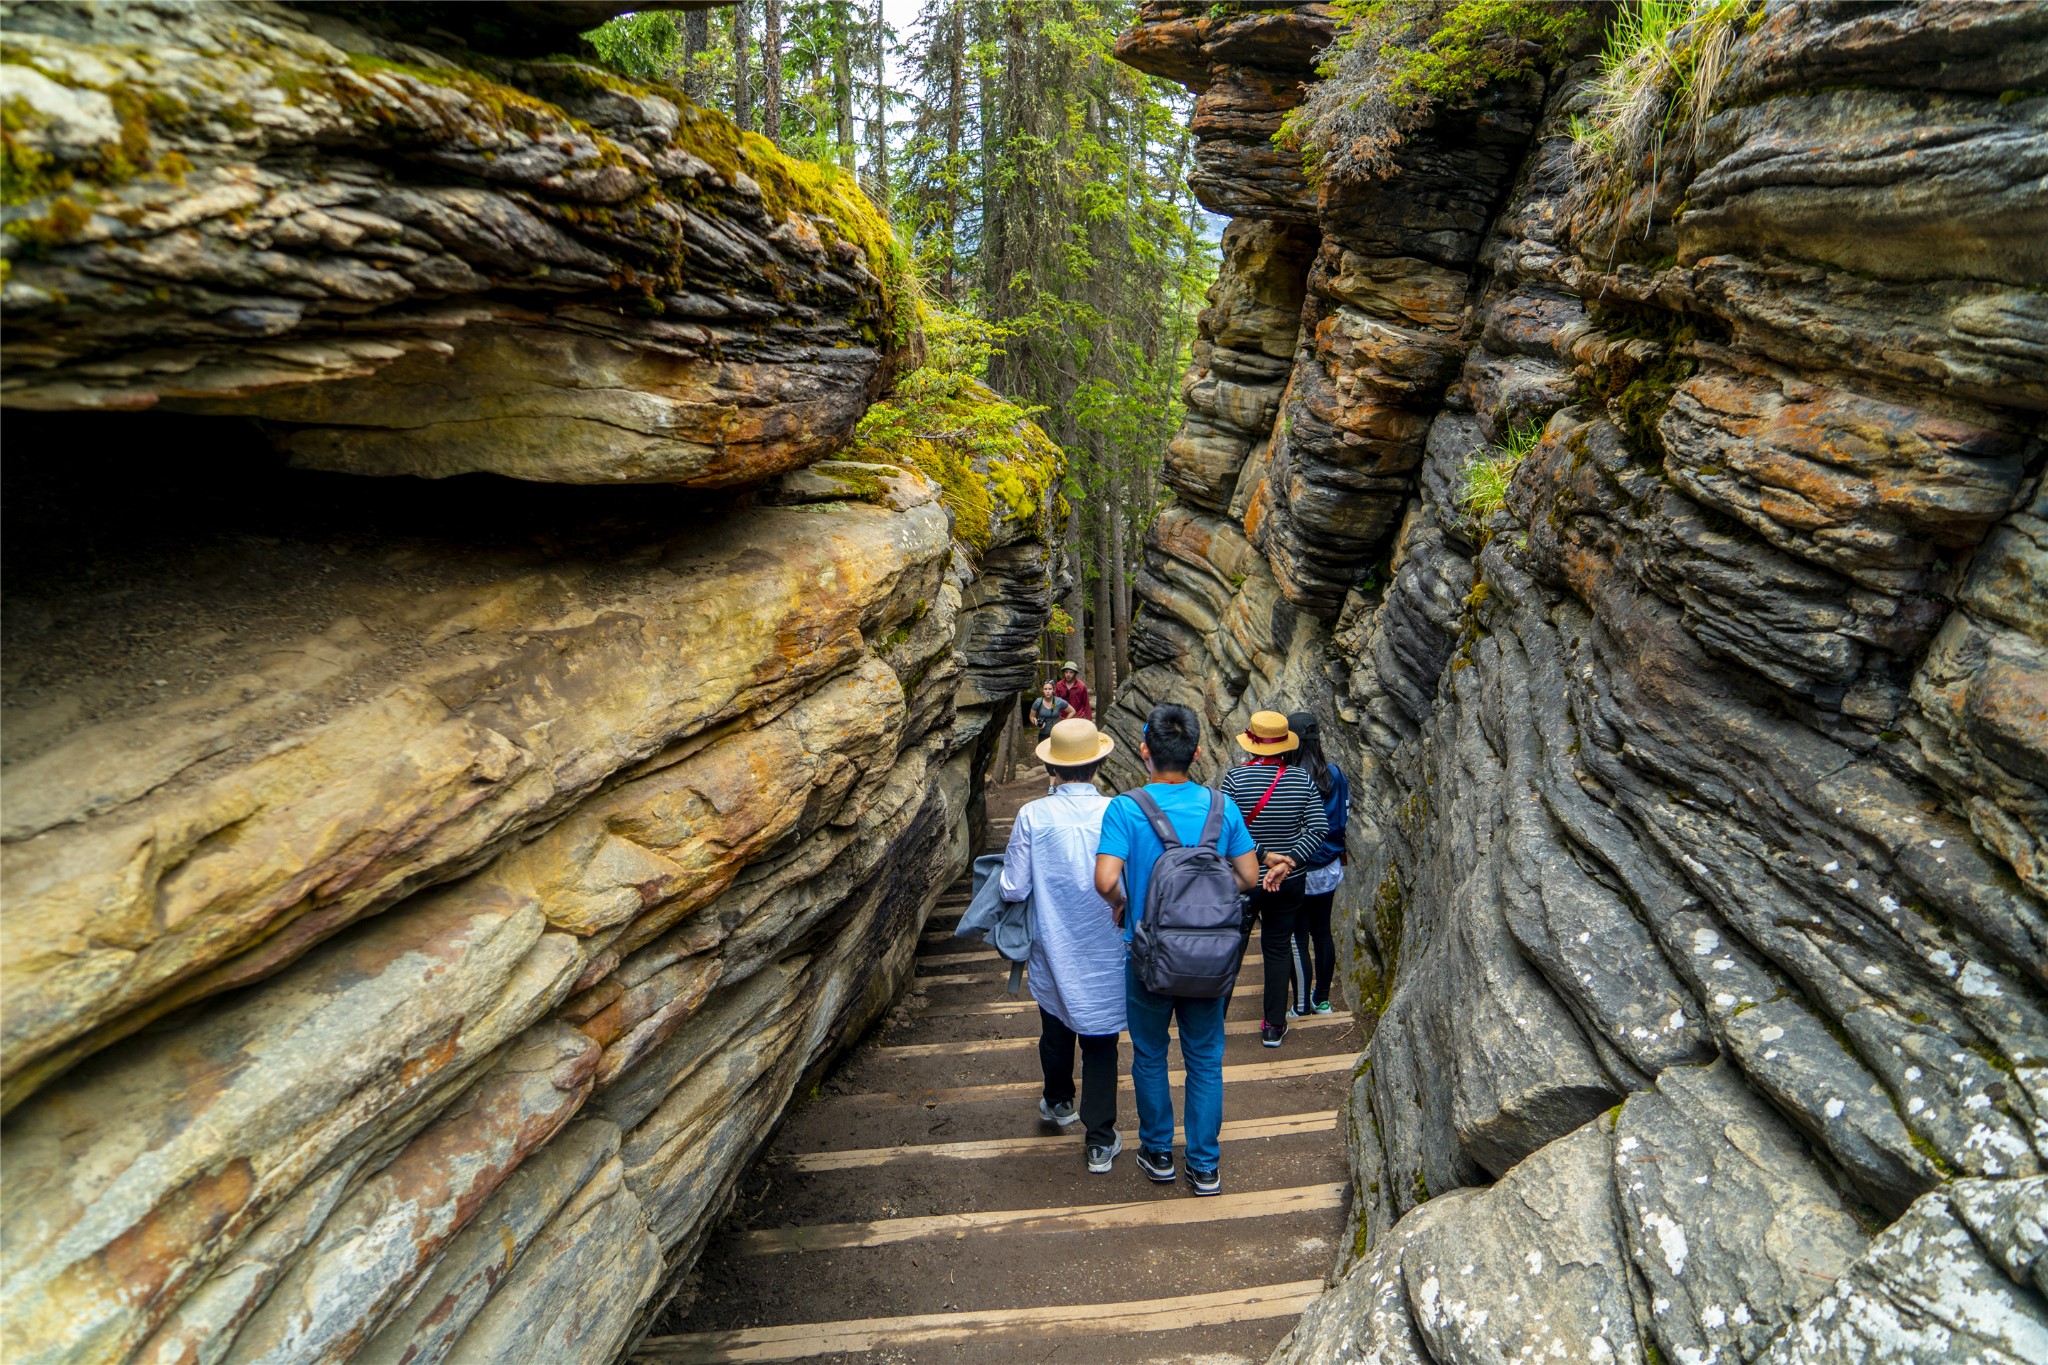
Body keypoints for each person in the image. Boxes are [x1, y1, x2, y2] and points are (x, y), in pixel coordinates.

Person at [1094, 703, 1261, 1197]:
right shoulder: (1220, 806)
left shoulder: (1126, 808)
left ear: (1145, 750)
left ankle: (1160, 1152)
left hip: (1148, 955)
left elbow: (1105, 879)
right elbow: (1249, 877)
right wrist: (1205, 902)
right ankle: (1205, 1166)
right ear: (1197, 751)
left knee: (1150, 1053)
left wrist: (1125, 902)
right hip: (1209, 959)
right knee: (1205, 1057)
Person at [1000, 718, 1126, 1172]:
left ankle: (1058, 1102)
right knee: (1101, 1039)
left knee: (1055, 1026)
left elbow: (1013, 888)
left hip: (1053, 941)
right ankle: (1099, 1140)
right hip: (1107, 942)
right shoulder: (1119, 811)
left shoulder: (1033, 814)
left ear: (1053, 769)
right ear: (1098, 764)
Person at [1220, 710, 1327, 1048]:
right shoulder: (1301, 779)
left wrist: (1260, 853)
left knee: (1230, 950)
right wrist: (1288, 862)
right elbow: (1318, 827)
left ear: (1251, 743)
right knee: (1278, 948)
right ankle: (1273, 1026)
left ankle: (1212, 1025)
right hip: (1288, 882)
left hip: (1243, 880)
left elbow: (1222, 830)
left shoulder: (1234, 780)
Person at [1285, 710, 1349, 1018]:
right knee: (1322, 931)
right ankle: (1322, 999)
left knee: (1297, 937)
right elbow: (1343, 817)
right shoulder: (1334, 773)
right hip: (1329, 865)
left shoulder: (1290, 774)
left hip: (1297, 866)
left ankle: (1300, 1004)